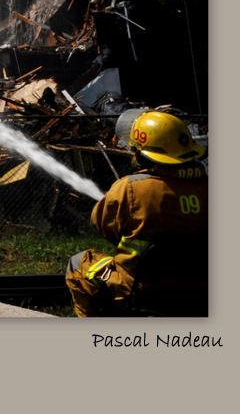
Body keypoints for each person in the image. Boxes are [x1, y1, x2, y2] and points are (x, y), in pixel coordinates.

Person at [65, 109, 207, 316]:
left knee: (79, 264)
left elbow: (104, 226)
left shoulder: (130, 189)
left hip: (143, 290)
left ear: (142, 154)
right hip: (203, 290)